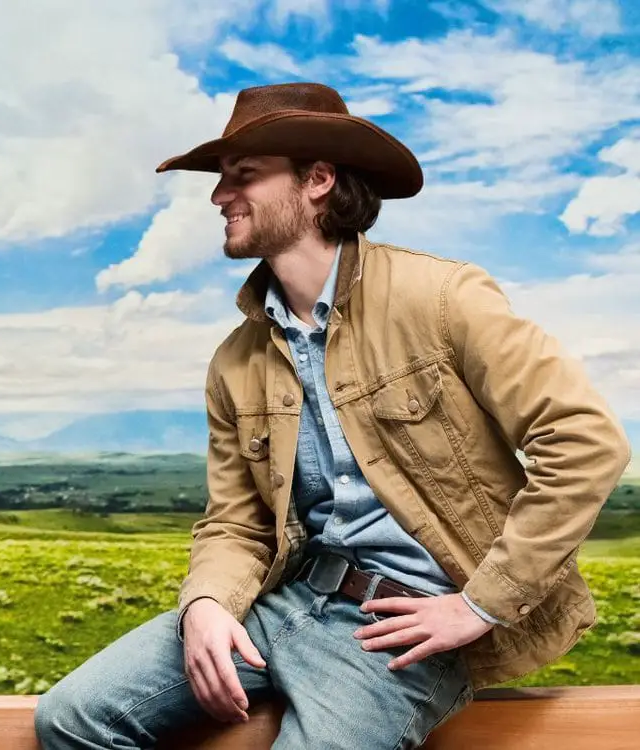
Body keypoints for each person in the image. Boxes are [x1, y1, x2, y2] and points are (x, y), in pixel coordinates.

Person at [35, 83, 631, 749]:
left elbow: (584, 441)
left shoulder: (441, 297)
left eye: (244, 176)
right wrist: (205, 605)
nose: (218, 197)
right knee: (72, 719)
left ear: (317, 180)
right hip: (286, 602)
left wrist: (480, 604)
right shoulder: (236, 360)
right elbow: (237, 522)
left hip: (397, 630)